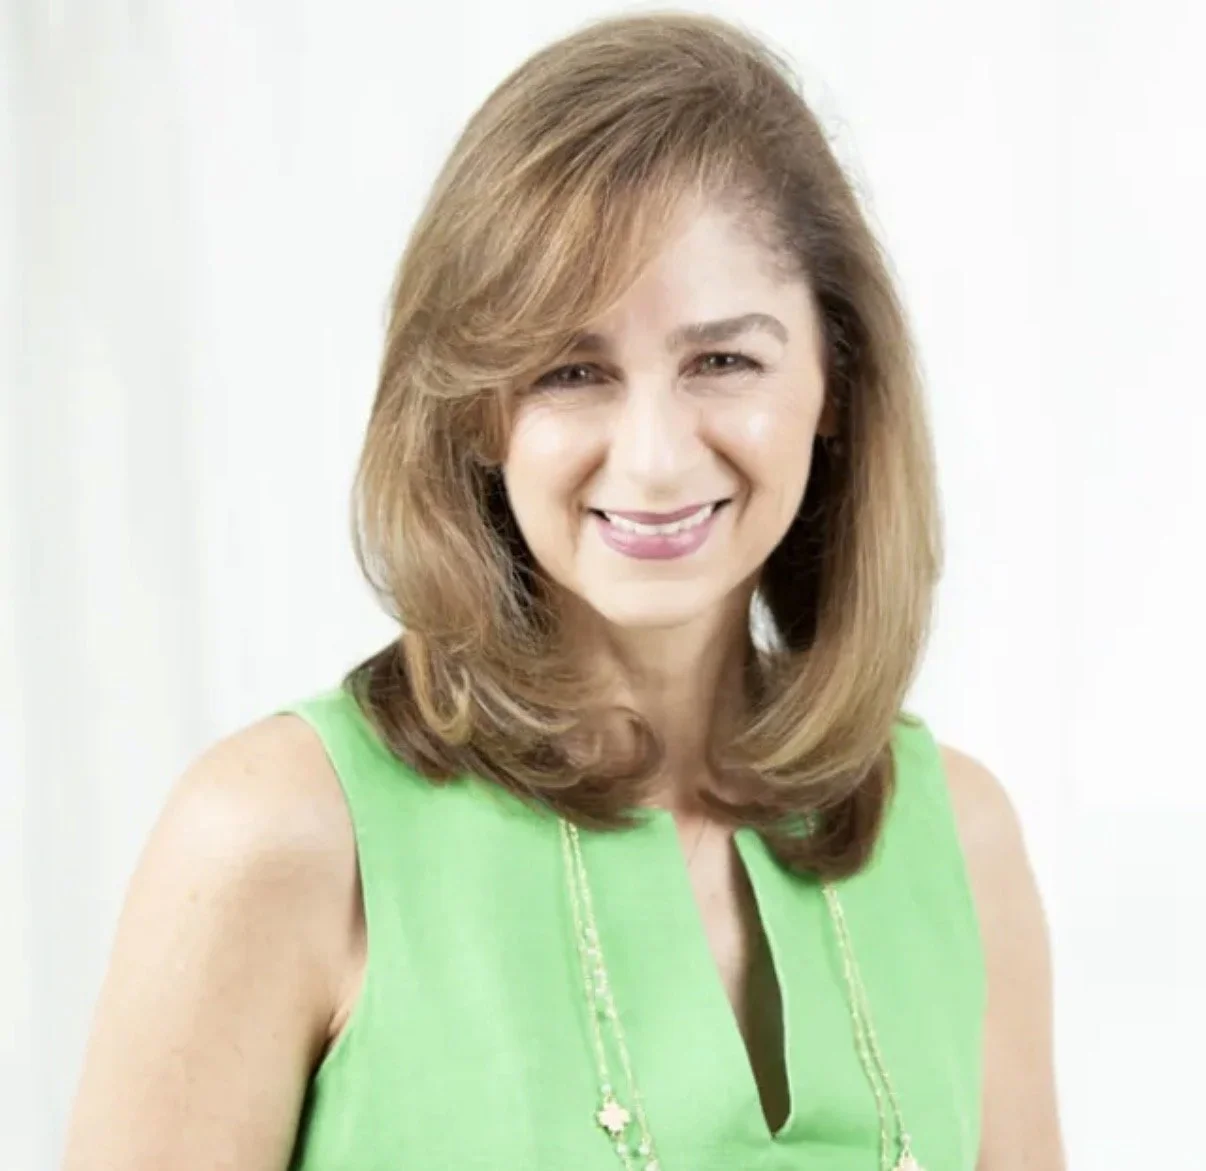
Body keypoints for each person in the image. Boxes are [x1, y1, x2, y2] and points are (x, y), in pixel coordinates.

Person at [61, 11, 1064, 1171]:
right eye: (571, 370)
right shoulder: (275, 837)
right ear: (476, 410)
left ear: (835, 378)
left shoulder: (960, 840)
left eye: (722, 360)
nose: (655, 459)